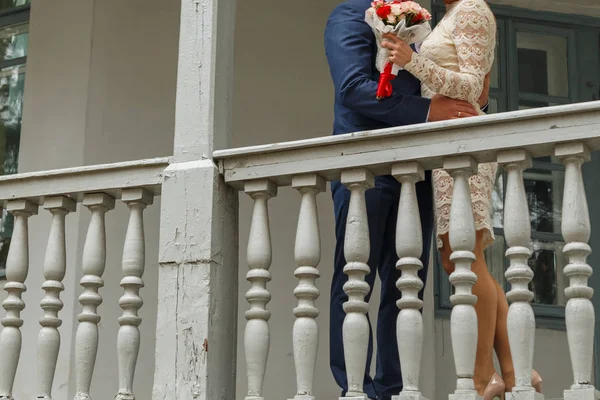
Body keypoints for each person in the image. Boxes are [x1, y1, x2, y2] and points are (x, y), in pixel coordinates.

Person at [324, 1, 490, 398]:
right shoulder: (349, 15)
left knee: (405, 282)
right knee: (355, 279)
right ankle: (354, 387)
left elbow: (439, 76)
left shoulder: (422, 19)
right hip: (365, 169)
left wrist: (472, 100)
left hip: (416, 170)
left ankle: (393, 388)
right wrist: (428, 111)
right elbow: (352, 90)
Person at [382, 0, 543, 398]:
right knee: (461, 258)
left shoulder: (473, 9)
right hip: (449, 146)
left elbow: (474, 87)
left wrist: (412, 61)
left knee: (463, 258)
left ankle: (482, 375)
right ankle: (515, 370)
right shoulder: (452, 14)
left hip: (466, 144)